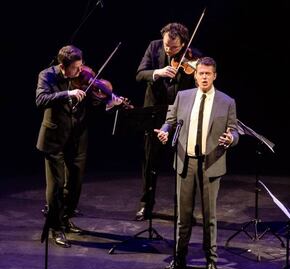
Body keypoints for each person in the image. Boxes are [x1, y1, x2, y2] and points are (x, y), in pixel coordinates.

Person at [155, 57, 238, 269]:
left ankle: (211, 261)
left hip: (211, 163)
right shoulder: (183, 97)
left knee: (210, 216)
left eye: (208, 74)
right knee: (183, 215)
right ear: (195, 74)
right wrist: (165, 130)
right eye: (201, 73)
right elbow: (170, 120)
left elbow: (235, 130)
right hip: (187, 162)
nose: (204, 77)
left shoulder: (226, 101)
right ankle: (179, 257)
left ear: (214, 76)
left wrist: (231, 138)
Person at [36, 45, 124, 248]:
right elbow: (41, 100)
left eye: (80, 65)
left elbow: (93, 99)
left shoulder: (84, 75)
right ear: (63, 66)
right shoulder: (47, 75)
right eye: (75, 68)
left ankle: (65, 217)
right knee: (56, 185)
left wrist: (109, 99)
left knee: (75, 182)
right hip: (54, 137)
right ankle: (55, 226)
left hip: (77, 136)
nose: (80, 70)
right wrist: (67, 93)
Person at [135, 22, 201, 221]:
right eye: (166, 45)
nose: (169, 49)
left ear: (183, 44)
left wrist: (199, 77)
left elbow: (200, 86)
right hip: (154, 112)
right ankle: (146, 205)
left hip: (180, 116)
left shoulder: (194, 57)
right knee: (150, 161)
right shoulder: (154, 47)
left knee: (183, 163)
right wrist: (159, 72)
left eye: (173, 47)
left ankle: (183, 208)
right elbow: (140, 74)